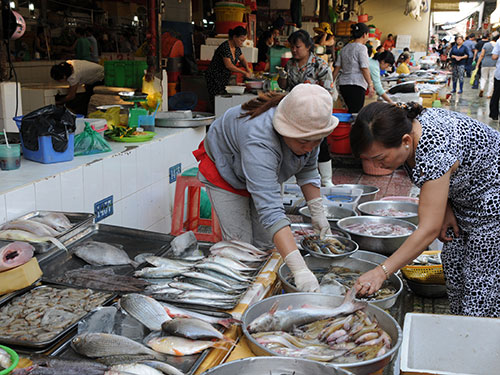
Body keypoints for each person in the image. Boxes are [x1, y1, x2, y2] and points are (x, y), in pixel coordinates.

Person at [350, 102, 500, 318]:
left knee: (481, 290)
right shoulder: (407, 129)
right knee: (456, 271)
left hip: (492, 206)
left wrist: (381, 272)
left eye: (380, 159)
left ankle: (480, 340)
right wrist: (446, 203)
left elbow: (428, 229)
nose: (377, 166)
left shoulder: (433, 147)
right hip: (466, 197)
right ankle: (463, 326)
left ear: (406, 141)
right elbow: (446, 171)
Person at [193, 84, 338, 292]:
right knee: (241, 250)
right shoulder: (259, 138)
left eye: (316, 141)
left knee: (267, 244)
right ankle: (238, 299)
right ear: (283, 129)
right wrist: (300, 270)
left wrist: (318, 213)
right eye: (304, 141)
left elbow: (307, 171)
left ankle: (262, 291)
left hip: (264, 174)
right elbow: (270, 211)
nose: (309, 148)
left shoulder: (309, 128)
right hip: (226, 171)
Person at [277, 30, 335, 187]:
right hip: (294, 112)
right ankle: (294, 177)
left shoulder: (320, 65)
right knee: (293, 141)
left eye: (298, 47)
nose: (294, 50)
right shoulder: (290, 65)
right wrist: (282, 76)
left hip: (316, 111)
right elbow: (285, 87)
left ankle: (326, 179)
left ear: (308, 46)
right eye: (292, 47)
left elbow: (330, 93)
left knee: (320, 143)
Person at [332, 23, 375, 113]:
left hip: (343, 85)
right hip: (357, 85)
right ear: (364, 34)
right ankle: (353, 127)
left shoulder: (344, 48)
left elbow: (337, 68)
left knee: (349, 111)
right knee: (356, 113)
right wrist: (370, 84)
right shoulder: (362, 48)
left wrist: (330, 83)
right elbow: (364, 68)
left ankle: (348, 127)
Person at [205, 26, 252, 101]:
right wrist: (244, 72)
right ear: (234, 37)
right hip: (215, 77)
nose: (242, 43)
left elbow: (242, 59)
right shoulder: (225, 47)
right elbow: (229, 65)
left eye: (243, 41)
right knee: (217, 99)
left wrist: (247, 69)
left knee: (224, 99)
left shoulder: (236, 48)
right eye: (241, 40)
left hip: (224, 77)